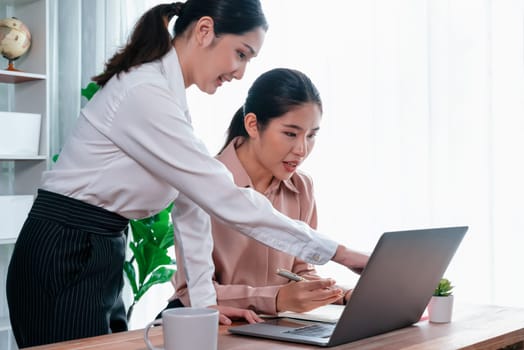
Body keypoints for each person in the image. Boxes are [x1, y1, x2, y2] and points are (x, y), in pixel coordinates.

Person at [6, 1, 367, 348]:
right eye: (241, 53)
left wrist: (204, 303)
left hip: (97, 247)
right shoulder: (144, 92)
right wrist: (340, 253)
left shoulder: (167, 95)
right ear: (205, 30)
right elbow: (222, 196)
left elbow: (191, 206)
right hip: (66, 248)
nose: (240, 72)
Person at [166, 68, 352, 316]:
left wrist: (340, 294)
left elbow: (300, 271)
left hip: (271, 327)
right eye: (290, 134)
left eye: (311, 135)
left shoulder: (301, 187)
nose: (302, 149)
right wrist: (273, 298)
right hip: (209, 325)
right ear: (253, 125)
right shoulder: (203, 184)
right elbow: (190, 293)